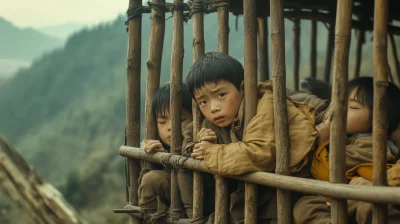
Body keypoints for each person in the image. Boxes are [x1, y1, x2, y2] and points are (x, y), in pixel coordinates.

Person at [181, 51, 326, 223]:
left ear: (243, 89)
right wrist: (202, 143)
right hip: (252, 200)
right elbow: (190, 152)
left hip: (293, 192)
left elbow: (260, 152)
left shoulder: (266, 103)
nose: (213, 108)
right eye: (203, 102)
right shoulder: (212, 123)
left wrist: (211, 152)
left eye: (221, 95)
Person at [293, 76, 400, 224]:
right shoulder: (350, 139)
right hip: (343, 197)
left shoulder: (372, 144)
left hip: (362, 195)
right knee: (305, 205)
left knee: (370, 207)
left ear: (381, 121)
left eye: (353, 107)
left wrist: (323, 142)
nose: (339, 111)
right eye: (338, 104)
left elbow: (330, 175)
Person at [138, 82, 192, 220]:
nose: (170, 127)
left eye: (180, 120)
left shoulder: (200, 141)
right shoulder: (159, 145)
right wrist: (163, 158)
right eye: (162, 122)